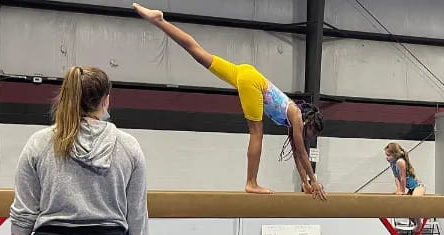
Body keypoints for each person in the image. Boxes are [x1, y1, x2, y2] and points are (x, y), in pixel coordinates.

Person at [132, 3, 326, 200]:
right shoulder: (297, 117)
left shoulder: (292, 119)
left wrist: (305, 182)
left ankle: (160, 21)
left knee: (199, 54)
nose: (308, 137)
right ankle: (251, 182)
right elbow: (302, 153)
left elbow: (296, 152)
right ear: (309, 123)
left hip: (246, 73)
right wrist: (314, 181)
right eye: (310, 133)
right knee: (256, 132)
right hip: (254, 84)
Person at [3, 66, 148, 235]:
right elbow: (136, 215)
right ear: (106, 100)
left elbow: (23, 212)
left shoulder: (40, 142)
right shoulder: (129, 146)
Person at [385, 142, 426, 230]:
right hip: (411, 189)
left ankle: (419, 225)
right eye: (386, 155)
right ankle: (417, 225)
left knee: (414, 203)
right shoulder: (392, 163)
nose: (386, 157)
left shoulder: (400, 162)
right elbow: (396, 177)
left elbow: (403, 178)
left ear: (395, 154)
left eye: (388, 155)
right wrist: (398, 190)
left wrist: (402, 191)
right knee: (407, 210)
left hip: (418, 186)